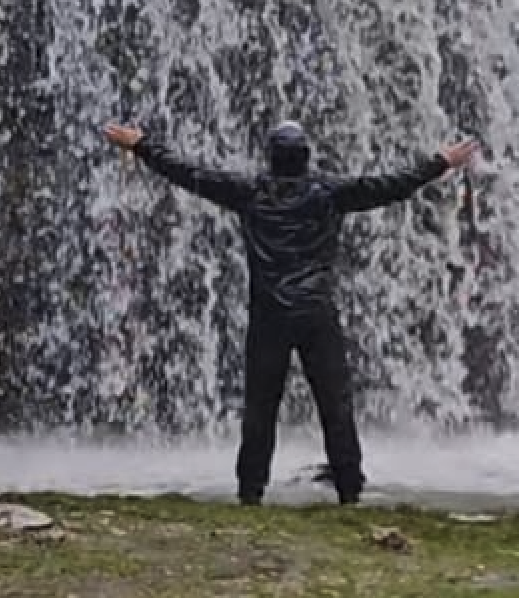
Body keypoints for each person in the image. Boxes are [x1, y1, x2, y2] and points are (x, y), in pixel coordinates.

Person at [102, 118, 481, 506]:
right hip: (317, 313)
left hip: (270, 315)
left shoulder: (249, 192)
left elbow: (188, 173)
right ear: (306, 157)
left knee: (260, 408)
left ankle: (251, 491)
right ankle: (350, 489)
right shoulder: (332, 192)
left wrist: (141, 144)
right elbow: (394, 185)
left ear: (271, 159)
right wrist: (441, 161)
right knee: (336, 404)